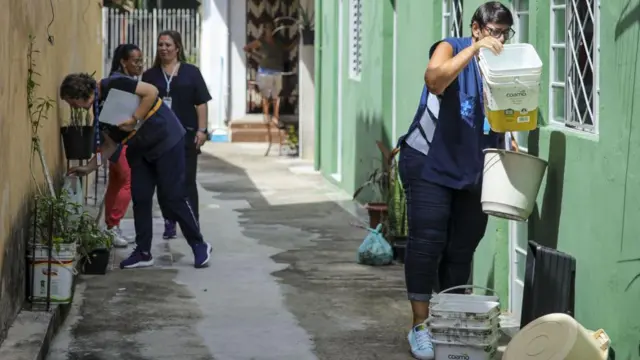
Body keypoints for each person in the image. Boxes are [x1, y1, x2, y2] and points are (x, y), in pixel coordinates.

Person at [396, 2, 513, 359]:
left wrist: (510, 137)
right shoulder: (450, 47)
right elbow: (435, 80)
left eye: (505, 33)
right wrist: (474, 50)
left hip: (474, 167)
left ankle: (446, 323)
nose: (499, 39)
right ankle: (420, 326)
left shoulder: (505, 63)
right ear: (477, 29)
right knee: (426, 243)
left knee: (461, 248)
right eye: (493, 31)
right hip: (430, 164)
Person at [61, 72, 213, 269]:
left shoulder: (113, 84)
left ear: (78, 94)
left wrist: (135, 119)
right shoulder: (98, 112)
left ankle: (199, 244)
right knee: (140, 197)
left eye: (71, 102)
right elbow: (109, 145)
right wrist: (89, 167)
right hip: (140, 150)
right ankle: (143, 251)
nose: (73, 107)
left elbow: (151, 92)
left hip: (165, 139)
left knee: (172, 197)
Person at [141, 30, 211, 240]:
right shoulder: (150, 75)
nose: (164, 48)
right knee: (164, 182)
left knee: (187, 181)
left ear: (177, 47)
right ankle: (169, 221)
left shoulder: (191, 72)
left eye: (168, 45)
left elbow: (201, 102)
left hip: (186, 135)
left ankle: (193, 222)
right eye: (160, 45)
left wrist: (202, 130)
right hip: (160, 137)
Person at [103, 43, 144, 248]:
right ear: (123, 62)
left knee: (116, 181)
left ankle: (110, 226)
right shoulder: (122, 83)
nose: (140, 65)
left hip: (113, 140)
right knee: (127, 180)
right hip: (117, 140)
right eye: (135, 61)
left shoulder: (117, 81)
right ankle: (113, 226)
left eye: (141, 61)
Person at [243, 21, 297, 147]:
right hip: (264, 71)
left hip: (277, 71)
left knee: (276, 95)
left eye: (271, 28)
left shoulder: (278, 42)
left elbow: (287, 48)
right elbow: (246, 48)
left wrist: (297, 40)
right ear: (264, 29)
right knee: (265, 94)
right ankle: (266, 114)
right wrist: (257, 57)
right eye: (268, 28)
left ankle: (276, 116)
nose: (270, 30)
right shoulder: (261, 42)